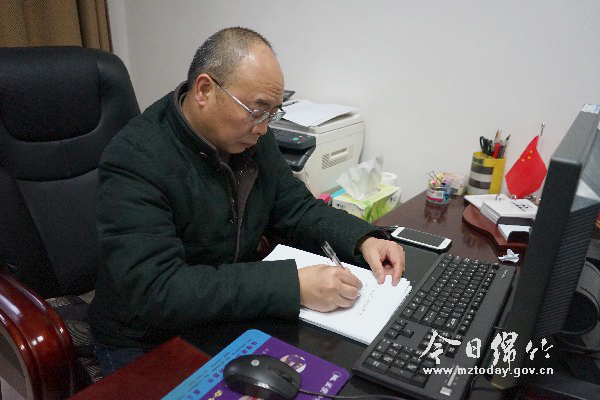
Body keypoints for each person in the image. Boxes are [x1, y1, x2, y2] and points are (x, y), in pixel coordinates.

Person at [89, 27, 405, 376]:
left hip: (224, 313)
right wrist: (294, 286)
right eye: (257, 111)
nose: (264, 128)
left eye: (272, 113)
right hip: (147, 337)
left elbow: (295, 207)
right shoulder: (136, 158)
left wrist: (363, 239)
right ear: (204, 90)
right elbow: (158, 290)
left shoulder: (250, 136)